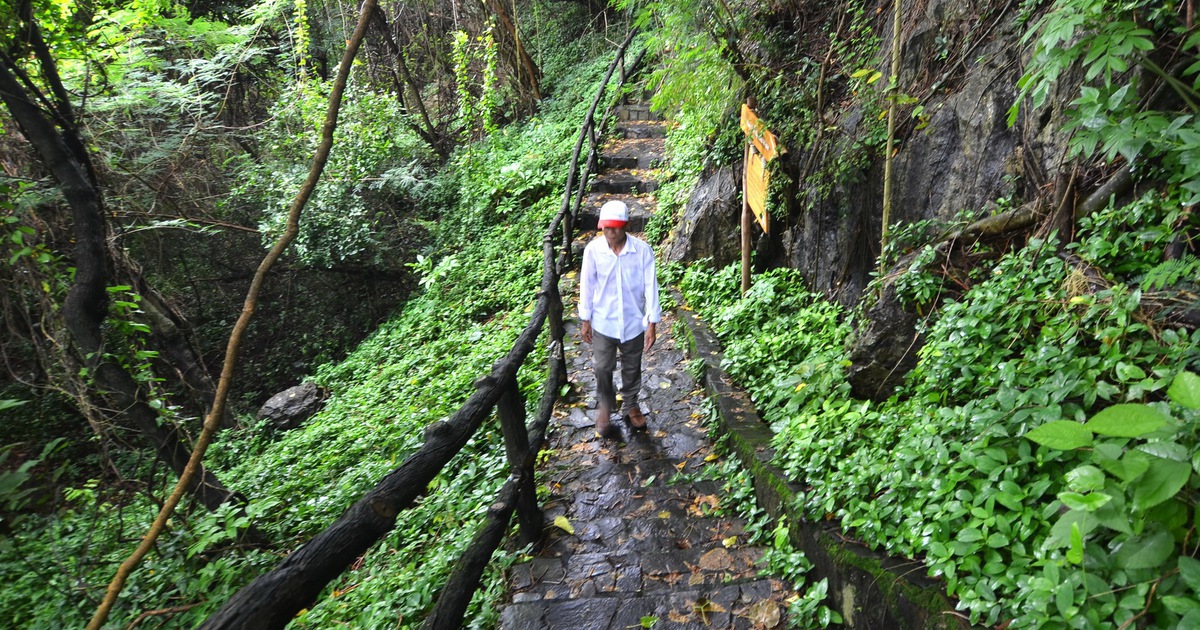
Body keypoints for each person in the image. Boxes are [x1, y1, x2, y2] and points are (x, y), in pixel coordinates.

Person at [579, 200, 661, 439]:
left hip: (634, 322)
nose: (610, 231)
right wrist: (585, 319)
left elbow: (651, 287)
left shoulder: (642, 251)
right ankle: (605, 406)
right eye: (606, 227)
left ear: (625, 226)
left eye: (615, 227)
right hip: (604, 321)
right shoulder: (593, 251)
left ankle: (631, 403)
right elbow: (587, 285)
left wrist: (652, 324)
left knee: (632, 367)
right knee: (602, 367)